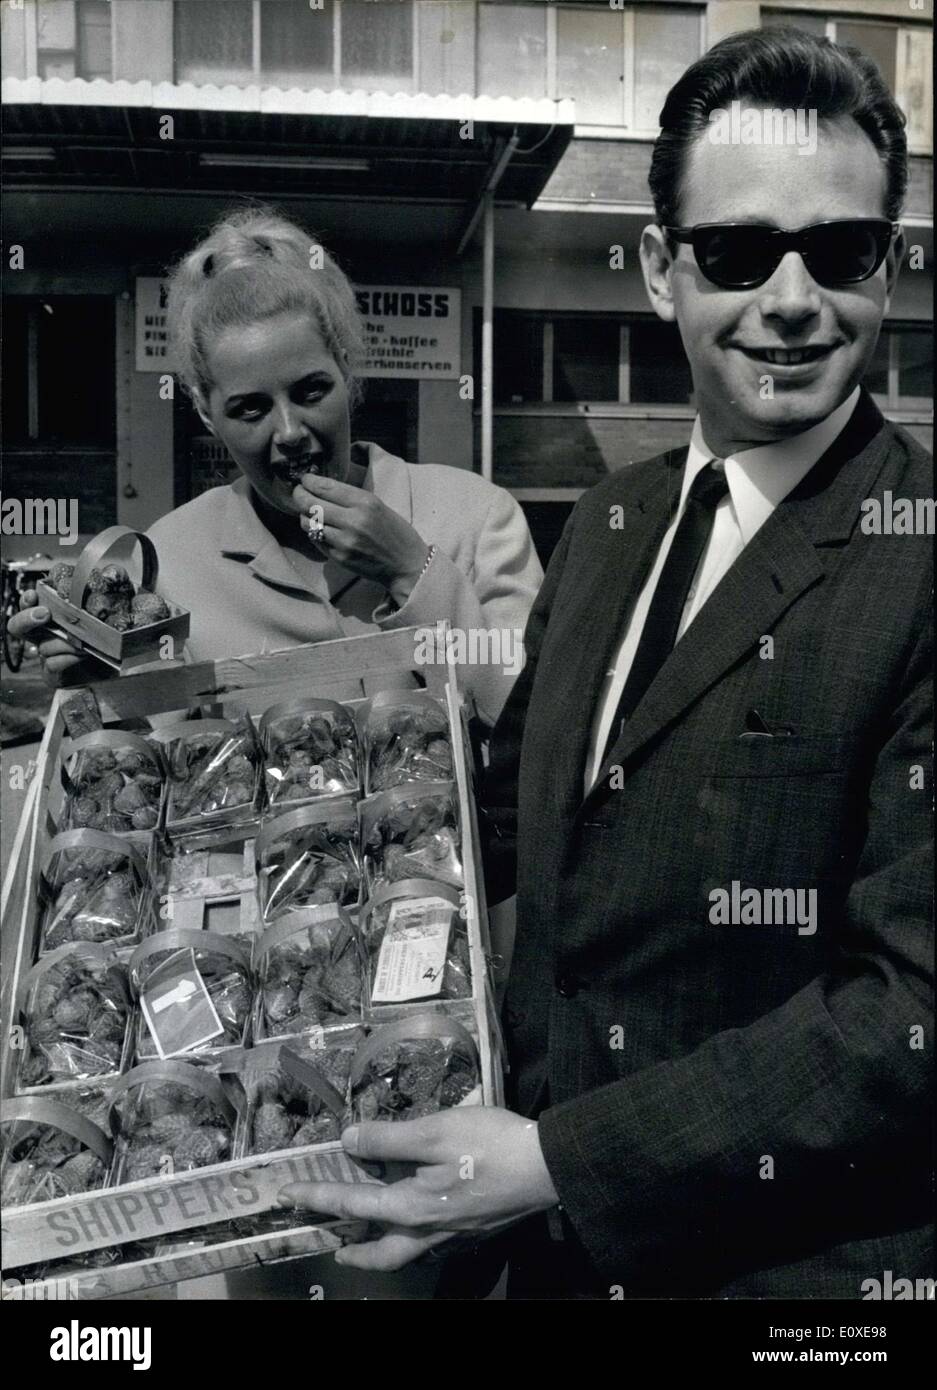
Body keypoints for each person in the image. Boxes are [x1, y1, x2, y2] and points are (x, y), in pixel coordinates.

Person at [278, 29, 933, 1299]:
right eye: (738, 252)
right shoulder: (606, 522)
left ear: (887, 271)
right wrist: (272, 885)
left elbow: (908, 1018)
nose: (791, 299)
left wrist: (558, 1163)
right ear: (657, 272)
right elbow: (511, 825)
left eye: (839, 251)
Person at [11, 209, 542, 728]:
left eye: (311, 391)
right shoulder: (171, 558)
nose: (289, 432)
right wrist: (98, 695)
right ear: (205, 413)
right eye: (251, 409)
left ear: (348, 372)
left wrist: (412, 571)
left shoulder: (475, 517)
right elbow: (158, 773)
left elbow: (535, 725)